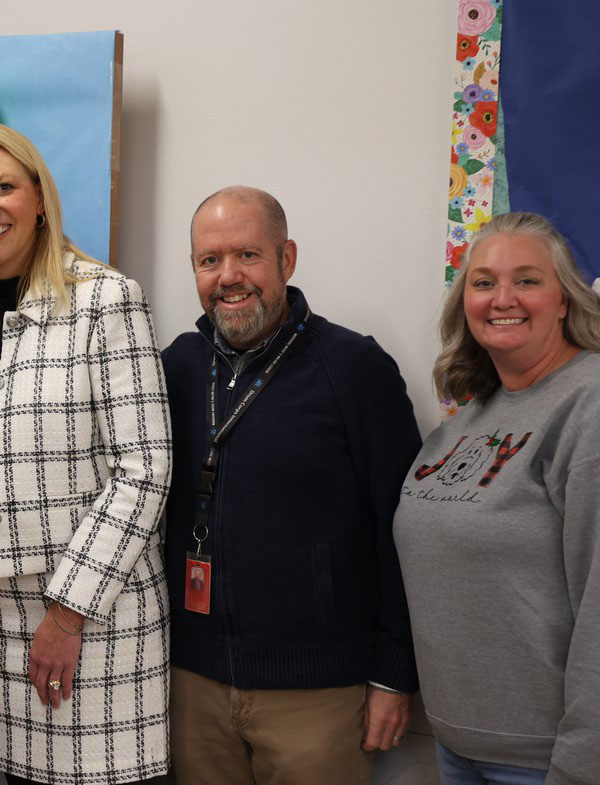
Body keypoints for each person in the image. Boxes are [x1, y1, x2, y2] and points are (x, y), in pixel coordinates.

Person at [0, 122, 172, 785]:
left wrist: (68, 611)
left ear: (40, 197)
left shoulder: (106, 300)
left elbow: (144, 469)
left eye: (3, 187)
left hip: (89, 619)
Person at [163, 186, 421, 785]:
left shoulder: (354, 369)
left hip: (318, 692)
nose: (229, 276)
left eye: (248, 255)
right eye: (209, 260)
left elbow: (403, 529)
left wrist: (394, 672)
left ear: (288, 258)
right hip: (191, 683)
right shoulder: (173, 366)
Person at [394, 212, 600, 785]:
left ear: (564, 300)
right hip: (456, 747)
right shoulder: (468, 418)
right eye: (483, 282)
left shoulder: (589, 404)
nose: (502, 297)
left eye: (528, 280)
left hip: (548, 760)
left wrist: (582, 766)